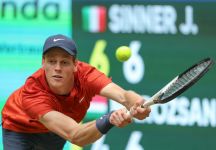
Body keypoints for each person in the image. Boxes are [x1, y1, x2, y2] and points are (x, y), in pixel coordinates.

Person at [1, 34, 151, 149]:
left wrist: (136, 103)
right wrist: (110, 119)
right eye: (52, 61)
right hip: (19, 127)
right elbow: (75, 135)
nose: (57, 68)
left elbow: (123, 95)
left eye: (64, 62)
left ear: (75, 65)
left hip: (54, 131)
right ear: (43, 63)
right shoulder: (33, 92)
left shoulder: (86, 75)